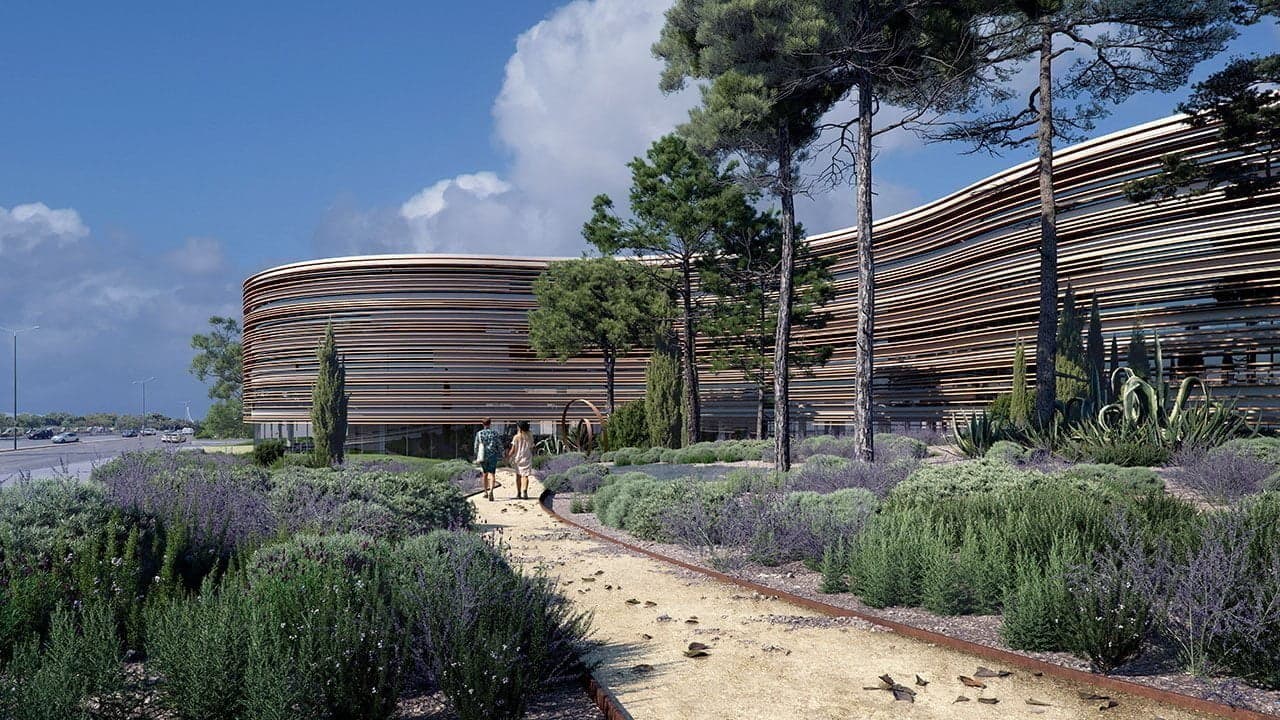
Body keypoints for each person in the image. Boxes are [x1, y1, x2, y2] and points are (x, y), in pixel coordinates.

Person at [473, 417, 504, 501]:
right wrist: (502, 455)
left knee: (485, 474)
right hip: (493, 455)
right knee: (492, 474)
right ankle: (491, 491)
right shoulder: (495, 433)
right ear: (490, 424)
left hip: (483, 456)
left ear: (483, 424)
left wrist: (477, 455)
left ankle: (485, 492)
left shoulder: (479, 434)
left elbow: (476, 446)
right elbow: (499, 445)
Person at [506, 420, 535, 499]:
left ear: (519, 428)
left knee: (518, 476)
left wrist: (508, 456)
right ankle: (525, 490)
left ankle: (519, 493)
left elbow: (513, 449)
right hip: (527, 457)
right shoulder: (530, 436)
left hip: (517, 458)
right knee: (525, 476)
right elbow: (532, 447)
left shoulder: (516, 437)